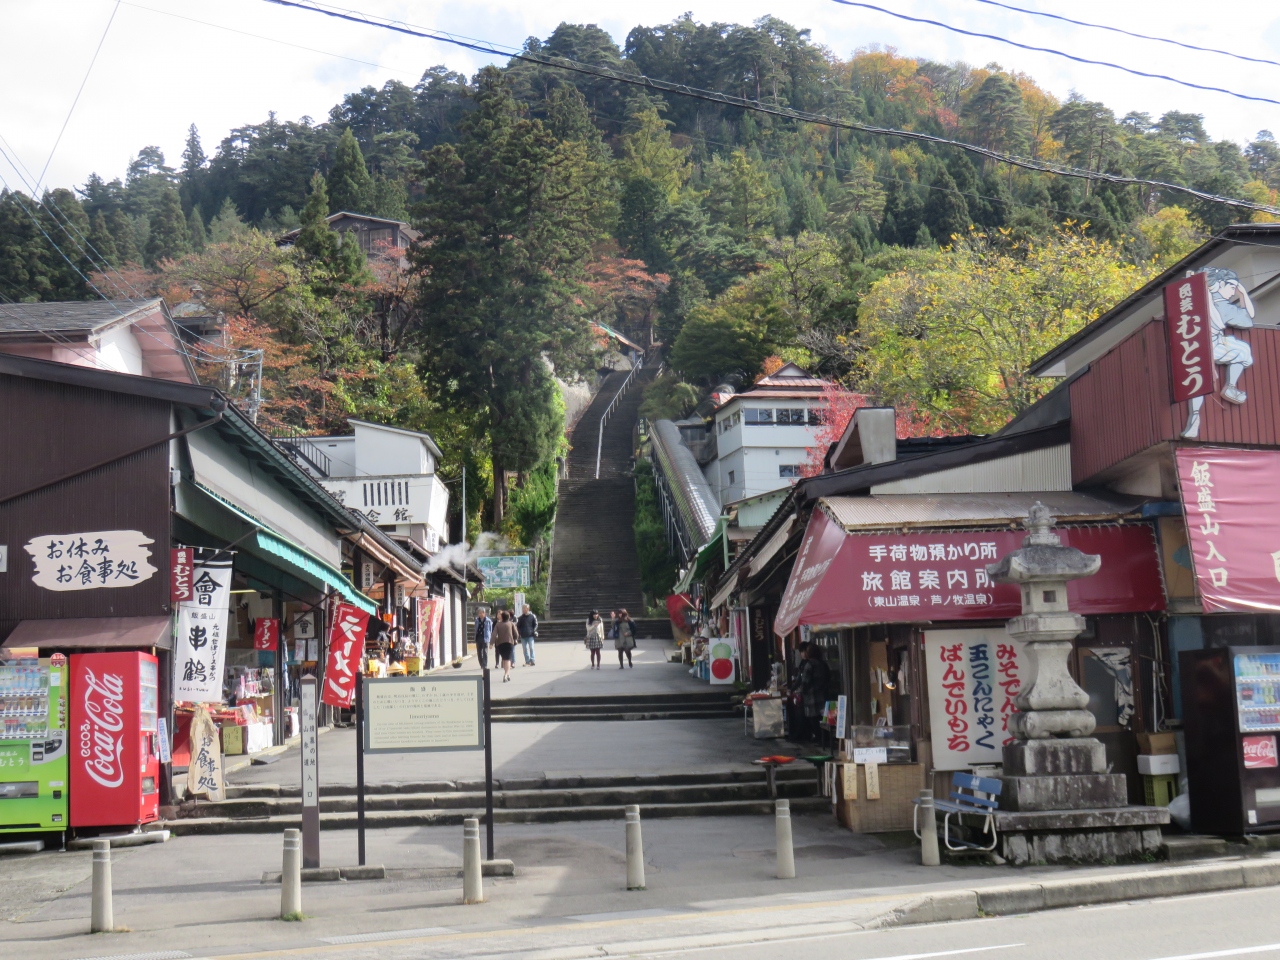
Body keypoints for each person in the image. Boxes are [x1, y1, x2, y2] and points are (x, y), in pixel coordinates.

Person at [799, 644, 831, 742]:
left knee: (813, 718)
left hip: (812, 696)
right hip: (823, 694)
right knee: (824, 717)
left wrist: (802, 691)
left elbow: (805, 681)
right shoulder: (823, 664)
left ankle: (818, 738)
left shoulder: (809, 665)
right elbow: (829, 677)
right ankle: (825, 738)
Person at [492, 610, 519, 682]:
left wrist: (491, 643)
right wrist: (515, 638)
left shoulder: (498, 624)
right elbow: (516, 634)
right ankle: (506, 674)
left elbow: (494, 634)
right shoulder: (511, 624)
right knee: (508, 659)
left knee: (504, 659)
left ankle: (507, 673)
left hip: (500, 644)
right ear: (508, 617)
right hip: (509, 643)